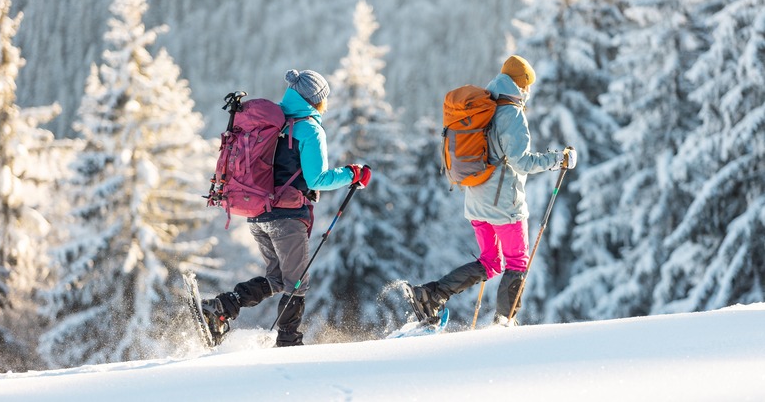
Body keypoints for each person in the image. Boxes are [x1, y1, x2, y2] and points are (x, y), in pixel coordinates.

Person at [202, 69, 371, 347]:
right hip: (287, 216)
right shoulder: (310, 129)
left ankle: (223, 307)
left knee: (278, 279)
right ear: (315, 99)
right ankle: (289, 341)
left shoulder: (272, 123)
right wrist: (352, 175)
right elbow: (317, 178)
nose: (326, 104)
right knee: (296, 284)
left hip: (258, 213)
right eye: (324, 98)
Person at [410, 55, 577, 326]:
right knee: (517, 261)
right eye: (528, 85)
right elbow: (521, 162)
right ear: (521, 85)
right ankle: (504, 322)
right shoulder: (512, 114)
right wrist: (558, 159)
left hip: (476, 201)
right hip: (504, 205)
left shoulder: (482, 106)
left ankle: (433, 293)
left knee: (491, 261)